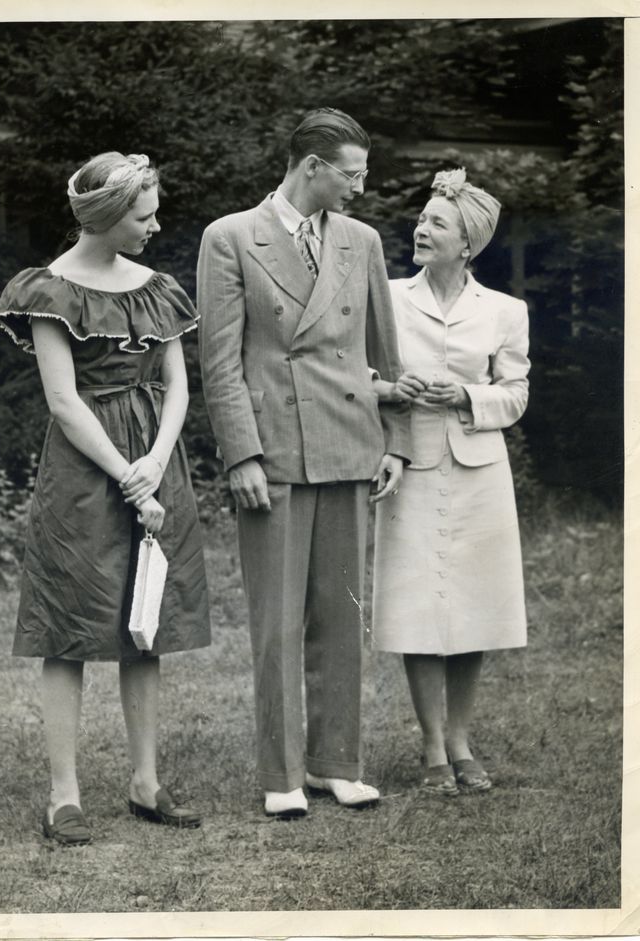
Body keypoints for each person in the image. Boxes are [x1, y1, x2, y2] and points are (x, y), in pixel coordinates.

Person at [197, 108, 410, 818]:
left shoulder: (362, 241)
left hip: (351, 443)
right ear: (312, 167)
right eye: (352, 173)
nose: (360, 185)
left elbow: (386, 353)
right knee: (278, 623)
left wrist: (397, 442)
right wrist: (243, 455)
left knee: (342, 618)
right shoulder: (230, 238)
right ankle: (283, 773)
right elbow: (220, 362)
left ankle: (337, 763)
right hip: (276, 454)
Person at [0, 152, 210, 844]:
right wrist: (125, 471)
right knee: (70, 626)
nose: (154, 225)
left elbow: (177, 385)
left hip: (154, 458)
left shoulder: (157, 287)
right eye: (144, 216)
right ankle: (64, 795)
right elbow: (63, 400)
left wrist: (155, 460)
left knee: (144, 619)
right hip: (88, 470)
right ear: (110, 217)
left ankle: (146, 782)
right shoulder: (50, 289)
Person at [370, 167, 529, 796]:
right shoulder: (387, 297)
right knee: (417, 603)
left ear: (467, 244)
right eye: (421, 219)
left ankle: (461, 740)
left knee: (474, 606)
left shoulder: (505, 311)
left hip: (479, 469)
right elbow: (362, 372)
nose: (420, 227)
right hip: (409, 461)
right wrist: (392, 390)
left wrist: (465, 393)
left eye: (435, 222)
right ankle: (433, 747)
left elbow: (515, 395)